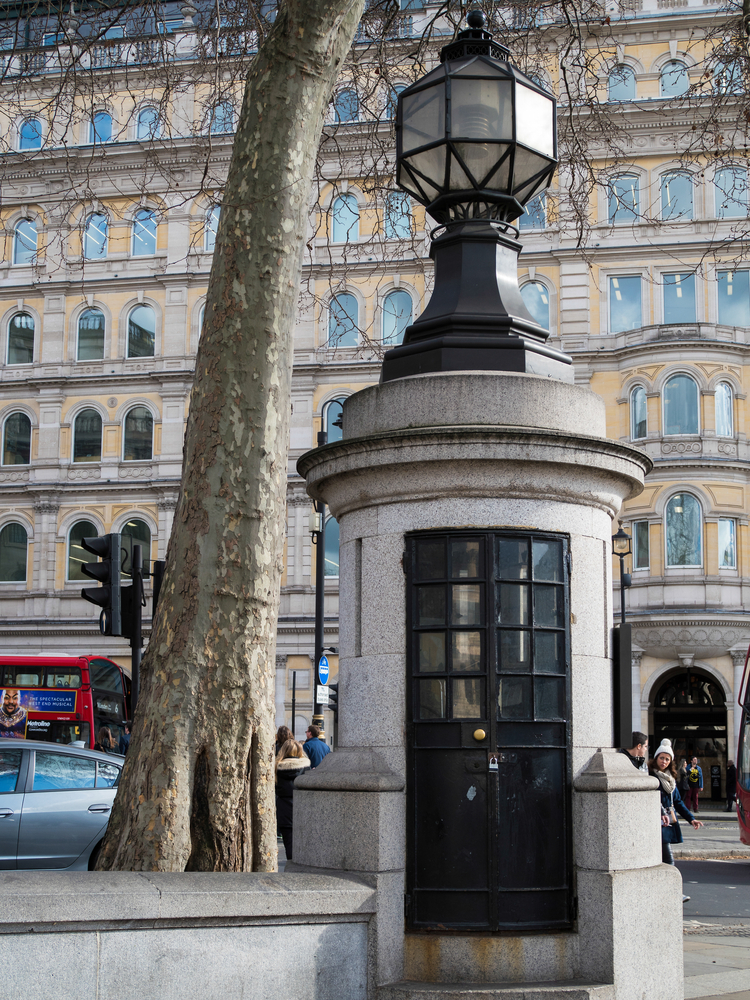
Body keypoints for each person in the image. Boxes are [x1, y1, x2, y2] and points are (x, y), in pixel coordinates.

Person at [649, 738, 703, 902]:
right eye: (661, 758)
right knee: (668, 859)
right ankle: (674, 893)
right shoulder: (650, 776)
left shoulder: (670, 779)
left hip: (667, 823)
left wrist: (691, 819)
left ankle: (664, 893)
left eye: (667, 759)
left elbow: (678, 802)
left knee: (662, 861)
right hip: (656, 824)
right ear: (656, 758)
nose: (664, 761)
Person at [275, 739, 310, 861]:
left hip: (284, 808)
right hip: (302, 808)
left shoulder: (276, 768)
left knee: (288, 844)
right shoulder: (306, 767)